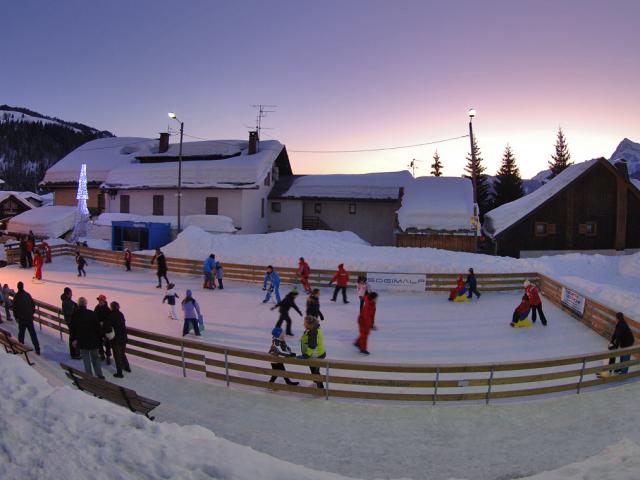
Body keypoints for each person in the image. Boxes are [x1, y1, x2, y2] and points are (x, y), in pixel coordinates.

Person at [69, 297, 104, 379]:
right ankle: (99, 375)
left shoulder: (75, 315)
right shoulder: (91, 313)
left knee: (86, 359)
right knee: (95, 357)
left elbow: (72, 329)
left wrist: (74, 339)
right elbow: (98, 327)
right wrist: (100, 338)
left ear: (78, 304)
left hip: (82, 341)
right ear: (86, 304)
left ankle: (89, 376)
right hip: (93, 340)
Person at [12, 281, 40, 355]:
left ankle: (20, 348)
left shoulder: (16, 297)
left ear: (18, 287)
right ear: (23, 286)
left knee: (21, 334)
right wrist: (31, 314)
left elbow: (14, 308)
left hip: (22, 319)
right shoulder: (27, 295)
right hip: (29, 318)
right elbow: (33, 305)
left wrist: (16, 317)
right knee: (32, 334)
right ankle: (37, 348)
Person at [300, 316, 326, 388]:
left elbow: (312, 346)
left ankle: (320, 388)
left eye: (305, 323)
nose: (303, 324)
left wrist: (306, 355)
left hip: (316, 355)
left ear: (309, 324)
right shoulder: (314, 329)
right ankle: (315, 383)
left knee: (316, 372)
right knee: (314, 370)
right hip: (316, 354)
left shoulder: (313, 332)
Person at [109, 301, 130, 378]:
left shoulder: (111, 315)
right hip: (123, 337)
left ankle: (119, 373)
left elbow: (108, 326)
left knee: (117, 355)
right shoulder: (121, 314)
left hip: (116, 339)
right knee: (122, 353)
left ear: (111, 307)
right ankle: (127, 367)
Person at [61, 287, 81, 359]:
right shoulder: (65, 302)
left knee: (73, 337)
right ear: (67, 294)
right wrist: (75, 309)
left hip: (71, 321)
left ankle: (75, 352)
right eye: (70, 293)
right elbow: (69, 312)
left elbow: (73, 305)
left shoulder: (67, 300)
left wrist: (76, 306)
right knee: (73, 337)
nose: (72, 295)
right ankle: (74, 353)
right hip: (71, 322)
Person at [94, 294, 112, 365]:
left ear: (104, 301)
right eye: (99, 300)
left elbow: (109, 319)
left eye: (101, 300)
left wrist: (104, 323)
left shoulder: (107, 309)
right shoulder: (97, 308)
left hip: (105, 329)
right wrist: (98, 323)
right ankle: (101, 354)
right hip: (98, 329)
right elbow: (94, 317)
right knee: (99, 343)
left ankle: (108, 356)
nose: (99, 301)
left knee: (107, 343)